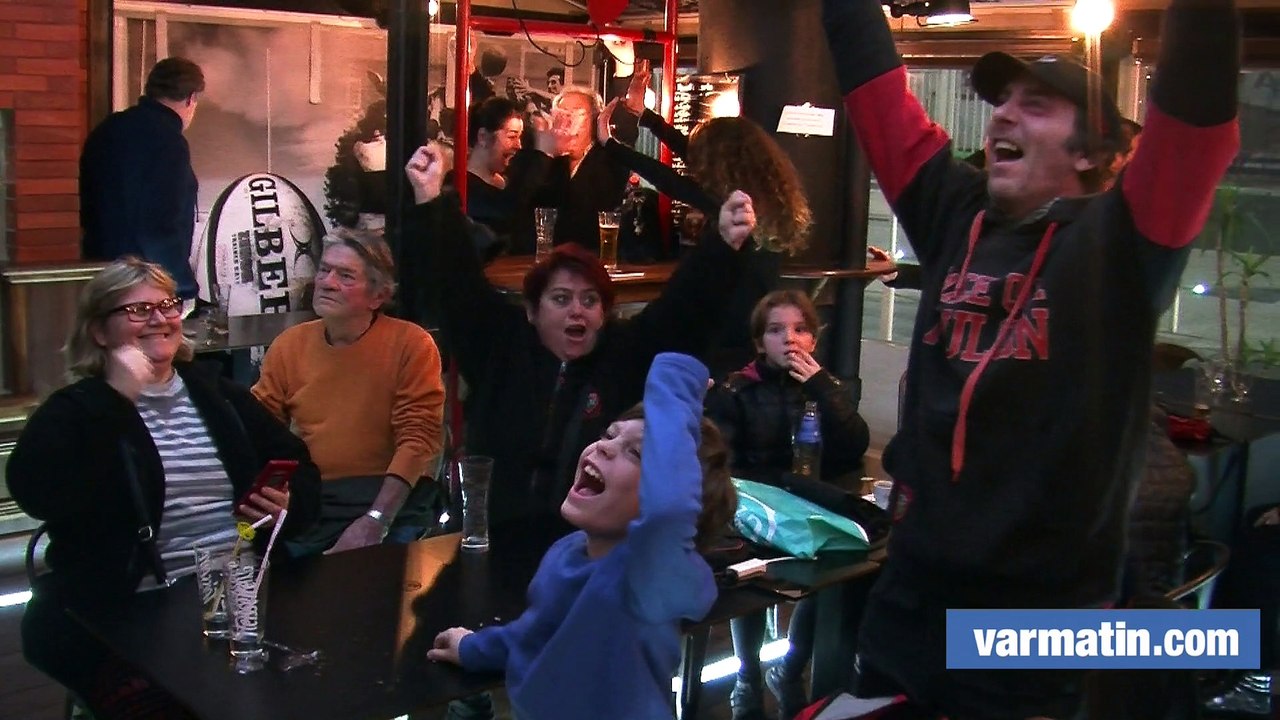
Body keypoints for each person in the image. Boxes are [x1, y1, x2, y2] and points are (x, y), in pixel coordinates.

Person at [821, 0, 1240, 715]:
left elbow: (1197, 116)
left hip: (1042, 615)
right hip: (913, 588)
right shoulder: (955, 211)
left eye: (1035, 106)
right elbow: (874, 88)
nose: (1003, 117)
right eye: (1002, 103)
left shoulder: (1123, 243)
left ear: (1090, 152)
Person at [8, 257, 321, 719]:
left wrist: (287, 505)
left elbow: (302, 472)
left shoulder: (220, 396)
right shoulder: (77, 409)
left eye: (169, 304)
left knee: (326, 684)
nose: (159, 318)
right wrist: (118, 395)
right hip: (134, 609)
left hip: (245, 599)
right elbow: (38, 491)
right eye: (137, 310)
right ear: (99, 332)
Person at [400, 142, 754, 530]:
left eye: (590, 300)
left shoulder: (625, 355)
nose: (577, 310)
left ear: (604, 313)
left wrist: (722, 245)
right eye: (561, 298)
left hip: (586, 540)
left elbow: (684, 311)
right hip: (494, 533)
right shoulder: (499, 345)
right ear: (533, 312)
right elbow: (456, 283)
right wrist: (431, 198)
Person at [426, 353, 738, 720]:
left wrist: (678, 392)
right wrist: (474, 648)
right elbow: (536, 636)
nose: (603, 446)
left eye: (636, 453)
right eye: (610, 434)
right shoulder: (568, 553)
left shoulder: (650, 577)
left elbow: (669, 508)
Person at [706, 290, 870, 720]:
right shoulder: (736, 390)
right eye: (776, 331)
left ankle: (792, 666)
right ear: (760, 342)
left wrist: (823, 388)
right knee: (751, 580)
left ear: (814, 339)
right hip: (752, 509)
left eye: (800, 329)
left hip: (805, 504)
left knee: (836, 561)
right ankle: (748, 677)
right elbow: (720, 464)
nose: (790, 340)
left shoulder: (821, 385)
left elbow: (855, 446)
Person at [603, 62, 813, 373]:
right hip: (751, 325)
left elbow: (670, 180)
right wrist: (646, 118)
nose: (698, 167)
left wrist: (611, 145)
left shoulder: (735, 205)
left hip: (731, 336)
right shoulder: (763, 194)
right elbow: (690, 154)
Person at [252, 226, 445, 556]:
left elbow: (418, 440)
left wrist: (375, 520)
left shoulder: (411, 344)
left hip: (390, 497)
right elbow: (258, 428)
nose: (327, 282)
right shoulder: (289, 345)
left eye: (345, 276)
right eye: (325, 270)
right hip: (314, 499)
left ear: (378, 296)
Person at [80, 57, 205, 301]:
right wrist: (183, 290)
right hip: (144, 289)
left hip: (99, 278)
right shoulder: (168, 142)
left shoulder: (106, 130)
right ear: (191, 98)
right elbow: (161, 226)